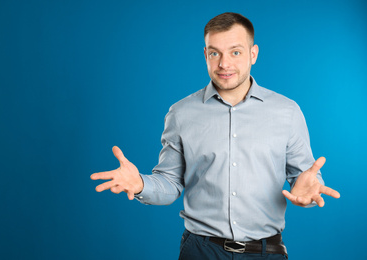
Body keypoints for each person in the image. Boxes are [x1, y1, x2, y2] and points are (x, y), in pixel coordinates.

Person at [91, 12, 340, 260]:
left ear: (253, 53)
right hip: (200, 251)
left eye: (235, 52)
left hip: (266, 252)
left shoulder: (287, 112)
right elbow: (170, 182)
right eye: (214, 53)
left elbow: (304, 183)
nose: (224, 64)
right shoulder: (180, 113)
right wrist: (141, 185)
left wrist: (307, 193)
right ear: (205, 55)